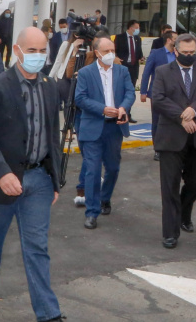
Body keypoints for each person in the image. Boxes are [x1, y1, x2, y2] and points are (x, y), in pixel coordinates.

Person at [0, 27, 64, 322]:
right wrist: (2, 174)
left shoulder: (49, 85)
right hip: (3, 182)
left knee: (37, 249)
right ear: (18, 51)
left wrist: (55, 179)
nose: (37, 56)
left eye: (42, 50)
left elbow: (52, 134)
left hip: (39, 180)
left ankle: (48, 314)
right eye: (31, 51)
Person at [151, 34, 196, 248]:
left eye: (193, 53)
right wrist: (182, 116)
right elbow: (159, 99)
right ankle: (170, 232)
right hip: (171, 137)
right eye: (185, 53)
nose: (190, 56)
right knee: (169, 186)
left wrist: (193, 109)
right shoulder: (163, 72)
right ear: (176, 51)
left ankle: (183, 213)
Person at [73, 38, 135, 230]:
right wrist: (103, 109)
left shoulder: (122, 71)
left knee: (113, 168)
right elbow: (80, 98)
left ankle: (105, 198)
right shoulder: (85, 73)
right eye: (106, 50)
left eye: (113, 50)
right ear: (97, 52)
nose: (111, 54)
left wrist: (123, 107)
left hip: (114, 128)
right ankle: (91, 212)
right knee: (92, 170)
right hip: (93, 127)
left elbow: (130, 93)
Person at [142, 30, 176, 158]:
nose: (177, 41)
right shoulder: (156, 54)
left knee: (173, 120)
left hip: (174, 93)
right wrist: (143, 91)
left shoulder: (178, 54)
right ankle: (158, 148)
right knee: (157, 120)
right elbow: (146, 72)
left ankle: (171, 145)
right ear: (169, 40)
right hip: (158, 93)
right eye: (175, 38)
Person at [115, 19, 144, 93]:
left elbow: (139, 52)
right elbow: (114, 50)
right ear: (131, 28)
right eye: (137, 28)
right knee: (122, 88)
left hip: (134, 67)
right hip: (123, 65)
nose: (138, 30)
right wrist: (116, 58)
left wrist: (141, 57)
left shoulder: (137, 38)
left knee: (131, 89)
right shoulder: (119, 37)